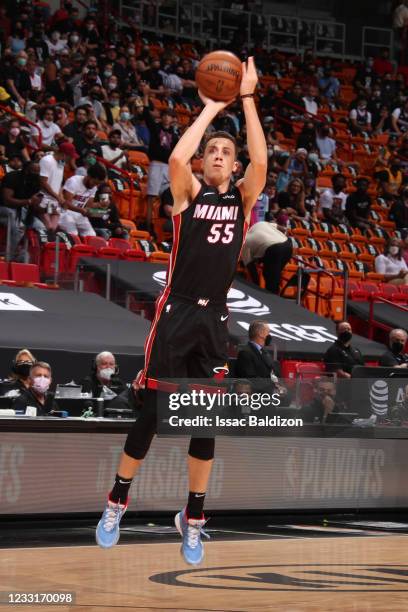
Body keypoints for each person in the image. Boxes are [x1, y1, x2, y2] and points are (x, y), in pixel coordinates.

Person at [95, 57, 267, 565]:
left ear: (233, 167)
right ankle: (116, 503)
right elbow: (175, 160)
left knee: (204, 421)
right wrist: (212, 106)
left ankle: (191, 518)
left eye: (224, 151)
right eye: (211, 150)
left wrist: (249, 100)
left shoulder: (242, 198)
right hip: (176, 315)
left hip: (214, 318)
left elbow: (260, 162)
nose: (216, 155)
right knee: (151, 413)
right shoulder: (187, 193)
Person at [141, 83, 179, 232]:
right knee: (151, 195)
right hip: (156, 164)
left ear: (173, 119)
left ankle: (165, 220)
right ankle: (148, 223)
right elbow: (145, 113)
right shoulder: (156, 128)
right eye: (165, 116)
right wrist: (145, 95)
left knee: (169, 193)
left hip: (168, 167)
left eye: (169, 116)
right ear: (162, 117)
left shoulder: (175, 136)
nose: (166, 119)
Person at [235, 321, 289, 402]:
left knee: (289, 398)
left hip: (269, 395)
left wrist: (281, 387)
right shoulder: (245, 353)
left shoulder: (265, 352)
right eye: (268, 332)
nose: (269, 335)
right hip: (257, 396)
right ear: (260, 334)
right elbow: (251, 379)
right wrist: (273, 388)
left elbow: (274, 373)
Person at [0, 161, 42, 260]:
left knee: (40, 226)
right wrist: (29, 201)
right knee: (18, 225)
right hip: (3, 208)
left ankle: (31, 257)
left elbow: (32, 205)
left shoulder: (35, 182)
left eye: (38, 172)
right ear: (27, 171)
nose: (36, 174)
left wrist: (43, 208)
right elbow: (7, 200)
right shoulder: (12, 177)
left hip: (18, 210)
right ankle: (7, 256)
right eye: (34, 171)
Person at [37, 141, 79, 233]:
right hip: (43, 198)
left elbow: (58, 183)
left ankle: (47, 246)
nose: (71, 159)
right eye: (70, 156)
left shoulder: (61, 163)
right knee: (49, 227)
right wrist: (57, 197)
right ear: (65, 154)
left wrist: (61, 198)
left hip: (54, 200)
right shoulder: (47, 160)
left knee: (53, 229)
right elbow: (43, 183)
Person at [241, 220, 292, 294]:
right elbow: (283, 229)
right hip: (288, 245)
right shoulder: (260, 223)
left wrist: (256, 287)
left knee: (270, 280)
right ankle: (274, 295)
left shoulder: (244, 242)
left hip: (274, 249)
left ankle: (271, 301)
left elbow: (251, 269)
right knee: (273, 276)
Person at [59, 163, 106, 236]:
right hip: (65, 212)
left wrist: (99, 206)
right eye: (94, 182)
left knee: (92, 235)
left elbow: (88, 206)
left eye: (97, 184)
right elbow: (66, 204)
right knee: (73, 234)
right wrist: (81, 210)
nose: (95, 185)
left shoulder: (94, 187)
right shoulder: (74, 181)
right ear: (89, 176)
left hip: (79, 214)